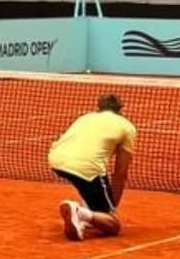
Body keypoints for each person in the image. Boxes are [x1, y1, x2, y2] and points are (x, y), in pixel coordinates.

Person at [47, 93, 136, 241]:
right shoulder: (127, 127)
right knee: (113, 226)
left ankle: (84, 215)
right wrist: (110, 209)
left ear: (98, 108)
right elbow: (120, 173)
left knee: (87, 184)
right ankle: (81, 213)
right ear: (121, 110)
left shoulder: (85, 118)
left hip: (56, 160)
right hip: (86, 168)